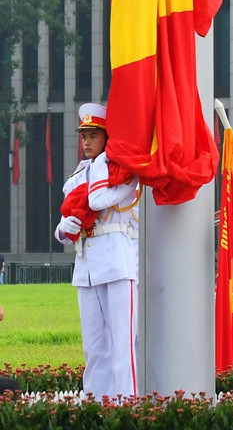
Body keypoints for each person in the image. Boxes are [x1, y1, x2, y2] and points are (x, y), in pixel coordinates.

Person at [54, 102, 140, 400]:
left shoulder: (126, 174)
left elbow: (99, 200)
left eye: (93, 135)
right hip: (86, 266)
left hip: (118, 263)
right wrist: (64, 227)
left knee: (123, 343)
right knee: (94, 347)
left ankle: (127, 404)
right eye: (84, 136)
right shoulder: (77, 177)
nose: (87, 142)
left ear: (107, 138)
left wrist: (104, 162)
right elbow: (62, 231)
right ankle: (95, 403)